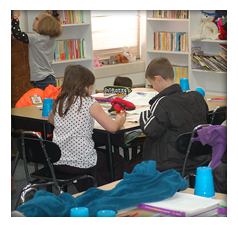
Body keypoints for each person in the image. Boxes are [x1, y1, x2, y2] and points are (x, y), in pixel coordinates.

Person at [48, 64, 130, 192]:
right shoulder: (88, 102)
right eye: (91, 87)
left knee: (99, 156)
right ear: (84, 86)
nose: (91, 90)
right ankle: (111, 193)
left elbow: (51, 120)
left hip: (59, 160)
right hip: (82, 161)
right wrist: (119, 120)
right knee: (117, 161)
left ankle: (85, 188)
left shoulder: (59, 101)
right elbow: (112, 128)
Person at [139, 57, 210, 173]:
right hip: (200, 159)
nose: (153, 87)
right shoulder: (196, 97)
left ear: (158, 79)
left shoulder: (162, 103)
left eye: (151, 83)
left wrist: (145, 113)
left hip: (170, 163)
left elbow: (150, 130)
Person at [12, 10, 62, 90]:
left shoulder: (36, 38)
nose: (34, 20)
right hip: (50, 79)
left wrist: (15, 17)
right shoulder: (51, 39)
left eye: (37, 19)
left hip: (41, 81)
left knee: (40, 102)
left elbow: (17, 34)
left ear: (43, 25)